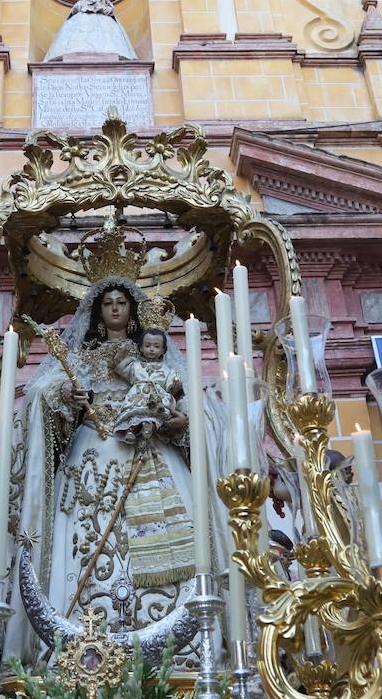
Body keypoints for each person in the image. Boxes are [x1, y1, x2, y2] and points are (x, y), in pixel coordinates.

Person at [12, 277, 223, 660]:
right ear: (97, 310)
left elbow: (189, 401)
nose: (114, 308)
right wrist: (66, 396)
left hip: (149, 452)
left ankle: (179, 651)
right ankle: (83, 648)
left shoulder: (153, 356)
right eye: (107, 301)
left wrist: (179, 418)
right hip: (92, 457)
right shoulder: (82, 356)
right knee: (85, 540)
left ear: (132, 310)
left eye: (121, 302)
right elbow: (43, 394)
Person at [113, 323, 185, 446]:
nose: (151, 349)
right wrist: (121, 353)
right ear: (140, 348)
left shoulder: (167, 369)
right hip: (138, 396)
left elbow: (171, 384)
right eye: (147, 345)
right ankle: (131, 430)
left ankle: (150, 427)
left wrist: (175, 385)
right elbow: (120, 368)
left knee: (156, 412)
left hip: (157, 396)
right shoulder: (135, 365)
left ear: (163, 350)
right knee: (135, 413)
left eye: (156, 346)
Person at [43, 0, 138, 62]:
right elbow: (74, 9)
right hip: (81, 20)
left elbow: (110, 7)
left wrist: (108, 9)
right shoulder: (82, 2)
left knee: (106, 38)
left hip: (104, 20)